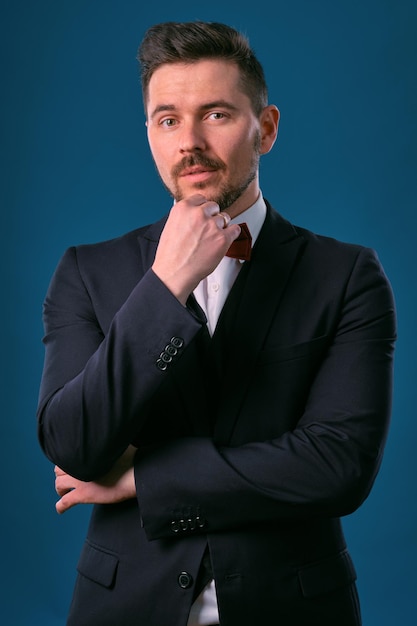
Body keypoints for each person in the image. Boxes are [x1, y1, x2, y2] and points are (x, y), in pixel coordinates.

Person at [37, 21, 396, 626]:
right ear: (150, 133)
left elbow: (338, 467)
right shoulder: (85, 272)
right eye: (168, 119)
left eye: (218, 114)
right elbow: (73, 444)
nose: (190, 142)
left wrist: (144, 480)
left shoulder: (348, 275)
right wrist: (165, 285)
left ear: (267, 129)